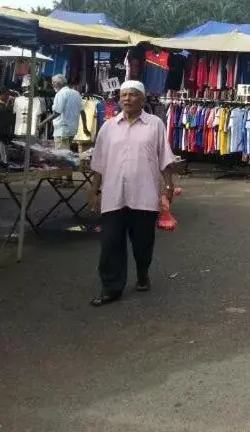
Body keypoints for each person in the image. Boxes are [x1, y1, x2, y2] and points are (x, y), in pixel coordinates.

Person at [87, 80, 177, 307]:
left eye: (133, 95)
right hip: (114, 194)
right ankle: (111, 288)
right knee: (111, 242)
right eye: (123, 95)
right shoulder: (108, 127)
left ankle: (142, 272)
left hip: (144, 194)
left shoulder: (154, 125)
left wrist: (168, 186)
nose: (127, 99)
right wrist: (94, 189)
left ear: (143, 99)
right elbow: (99, 162)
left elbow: (164, 158)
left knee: (142, 242)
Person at [45, 74, 84, 149]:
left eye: (53, 82)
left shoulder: (60, 94)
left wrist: (42, 123)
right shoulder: (76, 93)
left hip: (62, 131)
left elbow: (57, 113)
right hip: (72, 131)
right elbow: (82, 112)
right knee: (67, 154)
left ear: (58, 83)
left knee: (61, 156)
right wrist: (85, 128)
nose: (52, 84)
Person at [0, 87, 15, 162]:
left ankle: (1, 160)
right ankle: (2, 161)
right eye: (6, 95)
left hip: (6, 129)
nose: (8, 96)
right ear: (0, 95)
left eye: (8, 94)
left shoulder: (9, 102)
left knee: (2, 146)